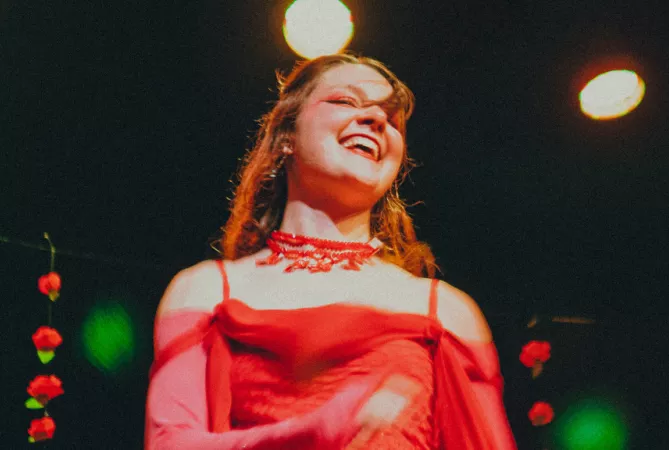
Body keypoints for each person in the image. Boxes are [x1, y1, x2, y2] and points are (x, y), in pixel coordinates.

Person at [145, 53, 517, 450]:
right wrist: (314, 430)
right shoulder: (205, 292)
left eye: (391, 120)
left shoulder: (445, 313)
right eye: (345, 101)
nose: (376, 120)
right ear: (286, 134)